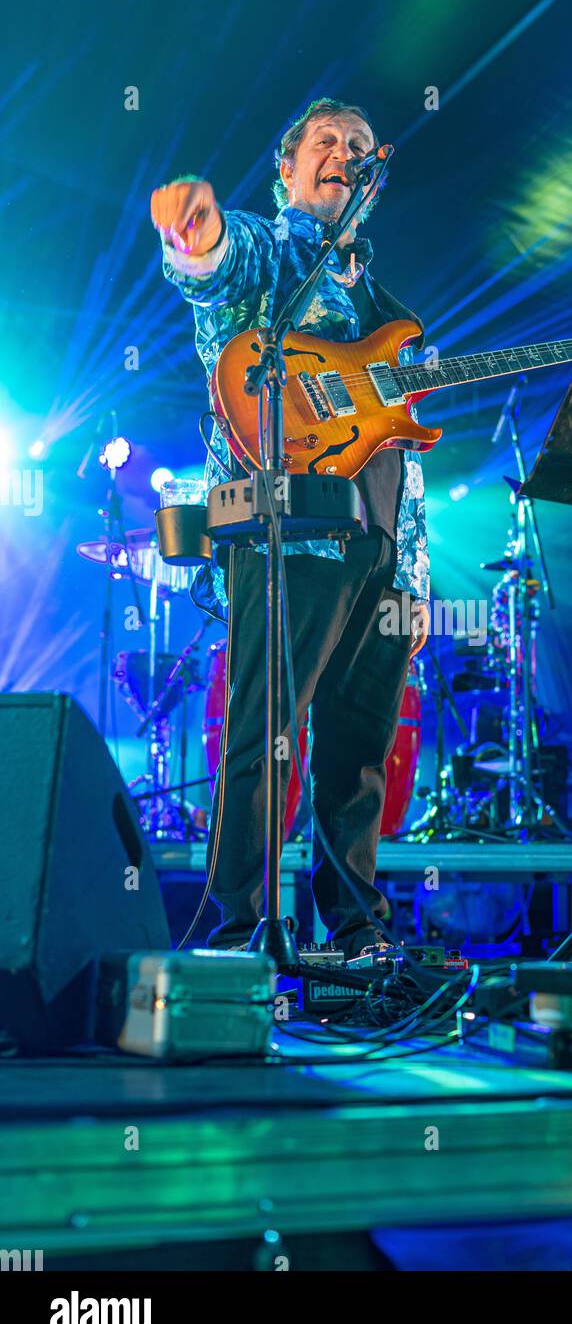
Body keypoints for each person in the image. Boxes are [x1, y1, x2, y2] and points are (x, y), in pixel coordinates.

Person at [151, 98, 431, 958]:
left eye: (356, 146)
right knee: (265, 737)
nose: (343, 154)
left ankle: (355, 939)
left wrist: (415, 579)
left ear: (372, 182)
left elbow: (409, 452)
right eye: (325, 143)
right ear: (288, 169)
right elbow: (215, 265)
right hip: (290, 537)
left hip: (380, 549)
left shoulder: (386, 304)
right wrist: (196, 237)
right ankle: (238, 931)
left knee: (358, 758)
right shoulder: (274, 255)